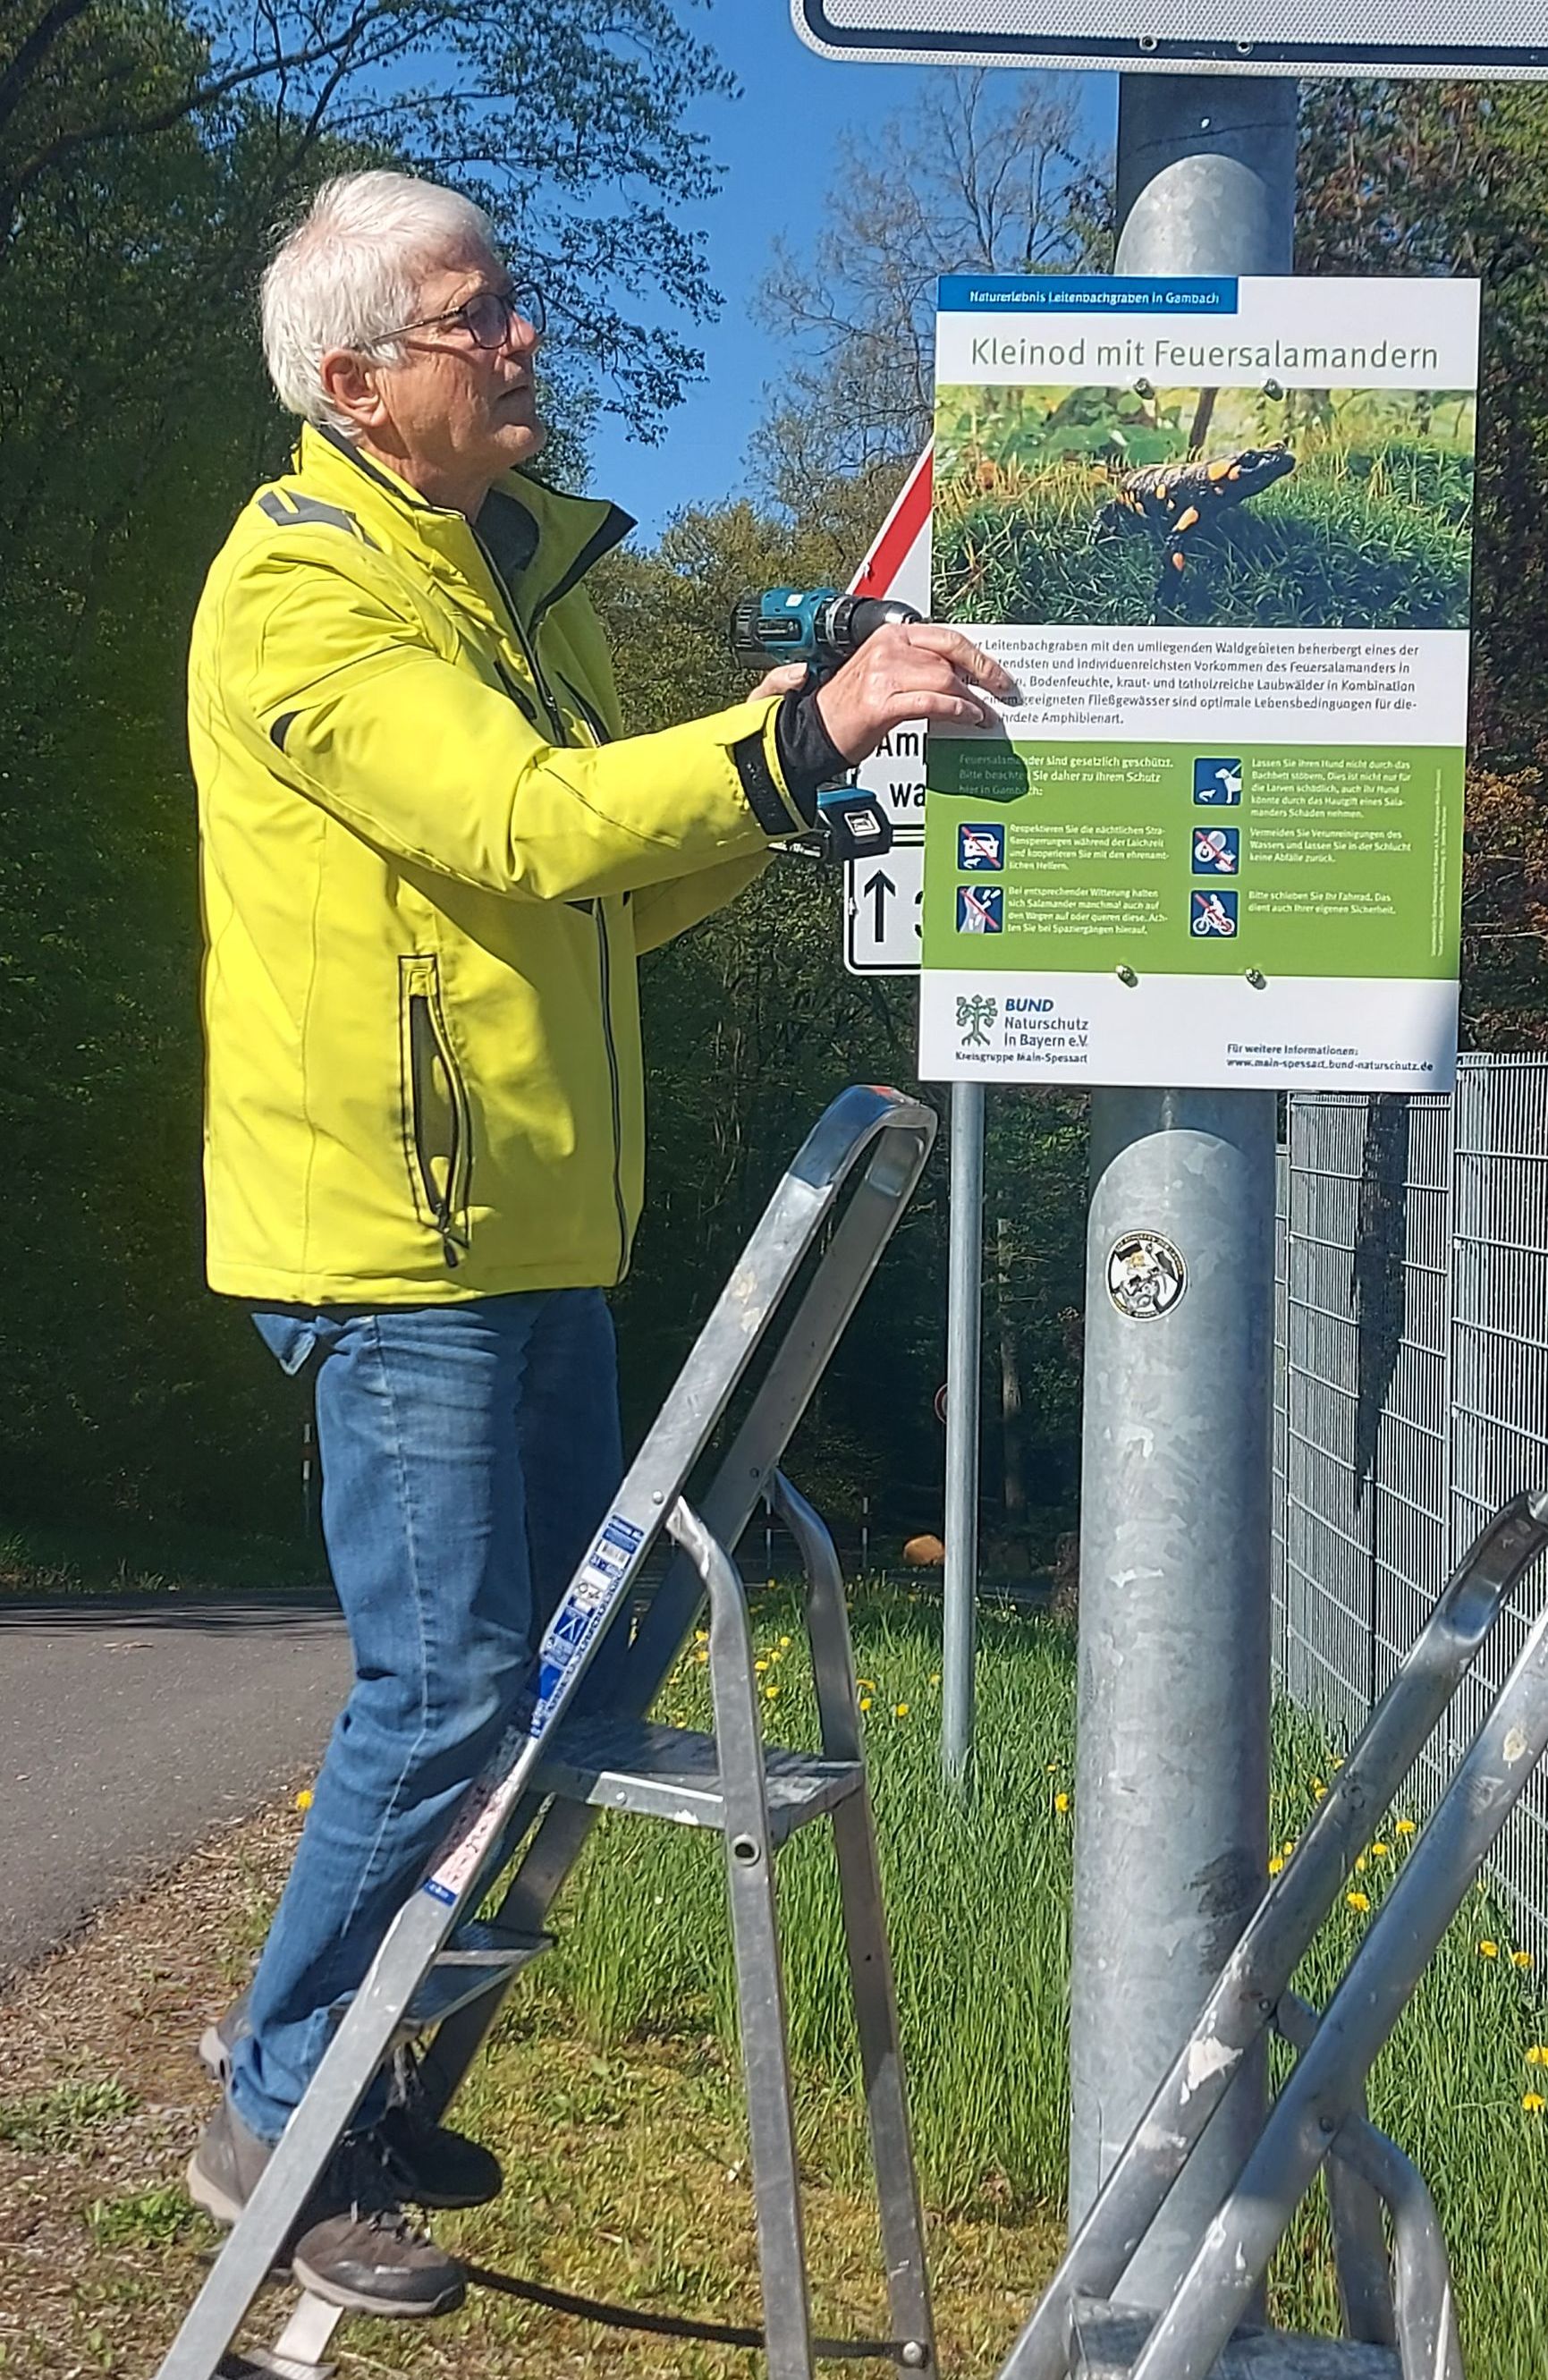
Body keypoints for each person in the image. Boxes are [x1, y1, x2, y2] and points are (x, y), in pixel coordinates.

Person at [184, 166, 1011, 2318]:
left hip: (528, 1221)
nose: (527, 339)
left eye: (515, 302)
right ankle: (278, 2100)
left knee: (586, 1670)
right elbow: (526, 821)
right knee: (456, 1684)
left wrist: (779, 789)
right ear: (359, 385)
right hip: (400, 1237)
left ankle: (360, 2075)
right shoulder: (307, 598)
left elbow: (597, 889)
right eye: (483, 319)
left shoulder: (488, 580)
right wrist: (794, 731)